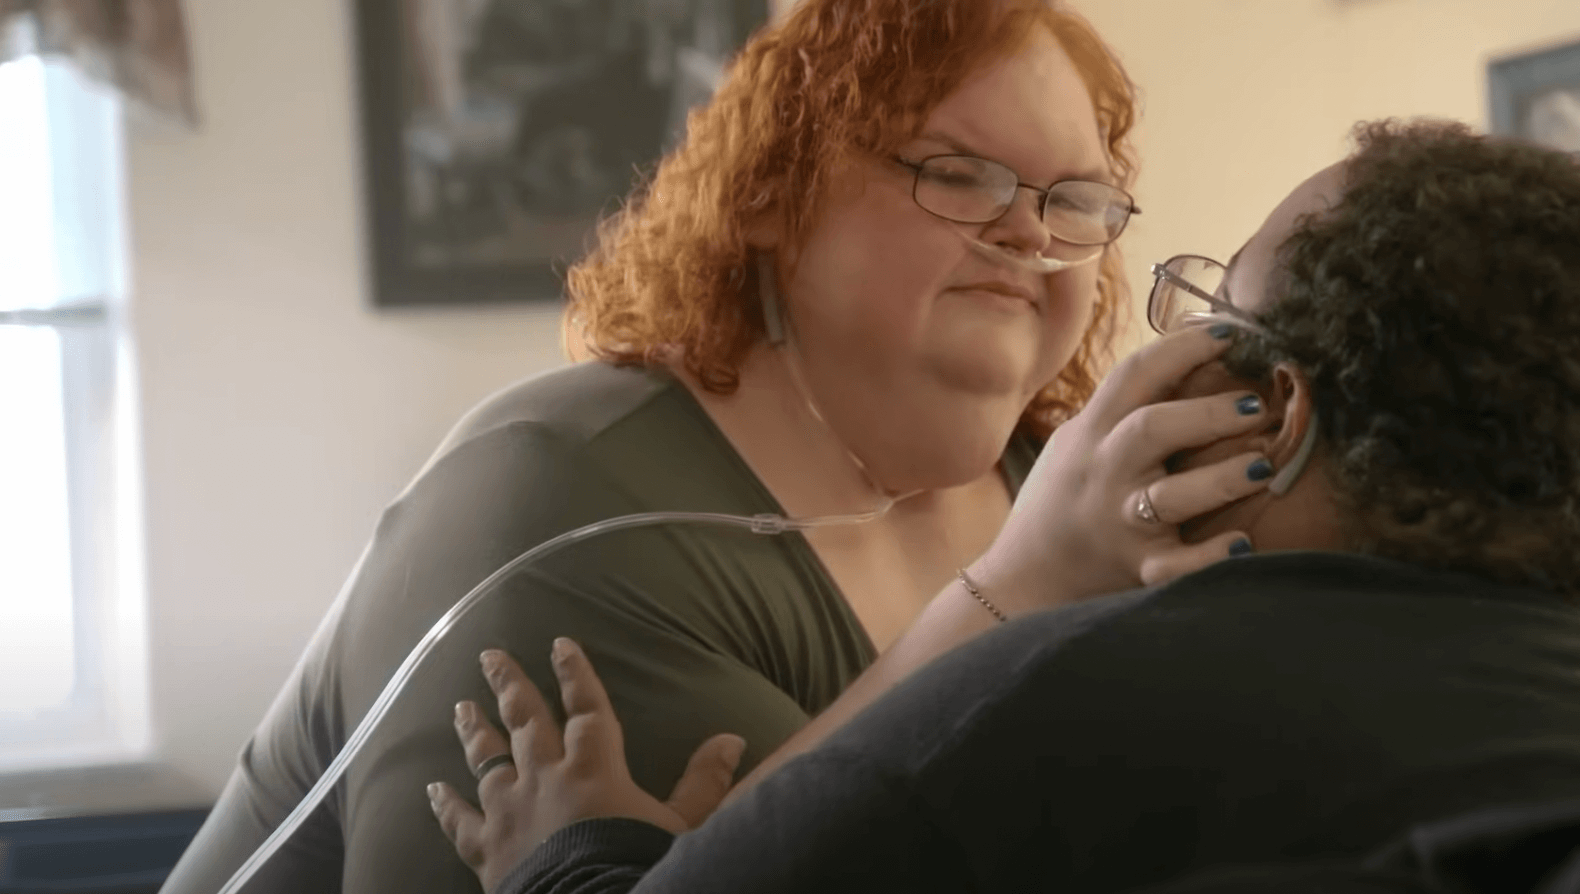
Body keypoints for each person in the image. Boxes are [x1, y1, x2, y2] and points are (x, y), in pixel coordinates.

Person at [427, 120, 1580, 893]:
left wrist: (569, 858)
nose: (1025, 237)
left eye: (1212, 314)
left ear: (1270, 409)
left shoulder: (1032, 721)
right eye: (952, 173)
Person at [161, 2, 1287, 893]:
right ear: (769, 196)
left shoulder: (1058, 482)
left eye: (1076, 199)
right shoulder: (562, 501)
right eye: (954, 172)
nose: (1029, 231)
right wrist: (1025, 586)